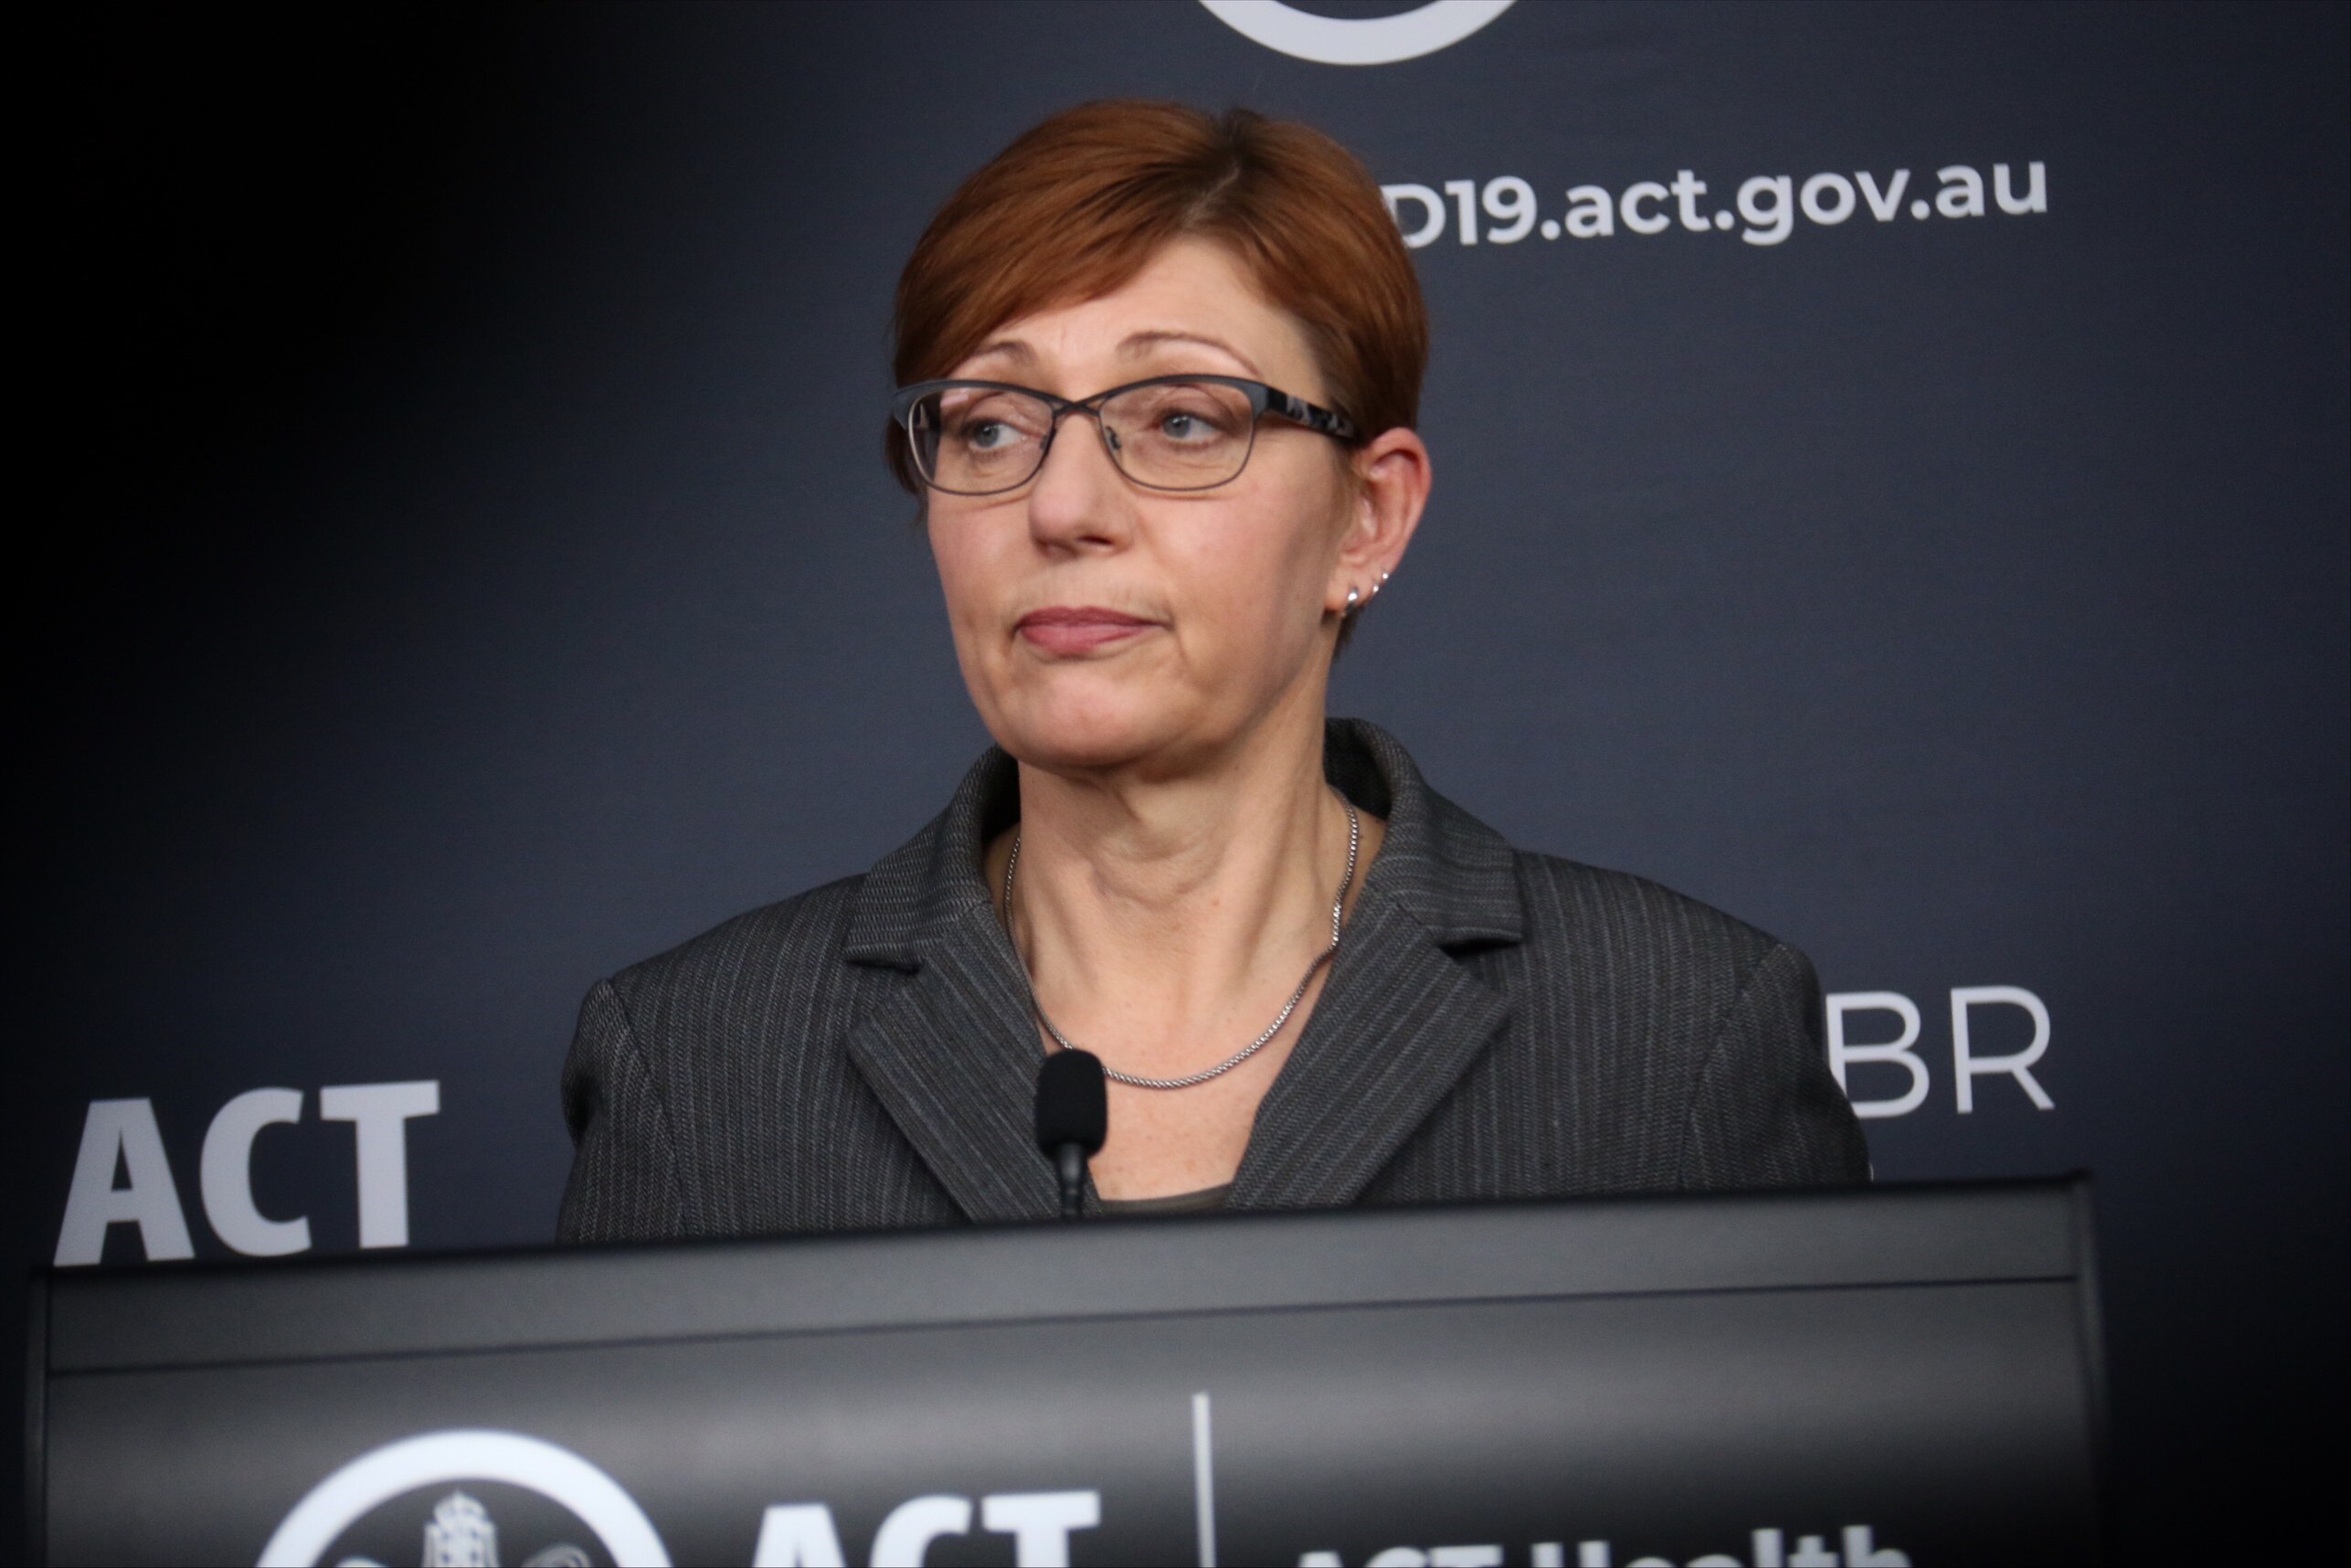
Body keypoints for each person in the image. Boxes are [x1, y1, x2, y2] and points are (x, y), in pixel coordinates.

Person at [557, 101, 1866, 1240]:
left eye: (1179, 420)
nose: (1062, 506)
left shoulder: (1671, 1031)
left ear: (1367, 518)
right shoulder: (699, 1065)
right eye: (992, 425)